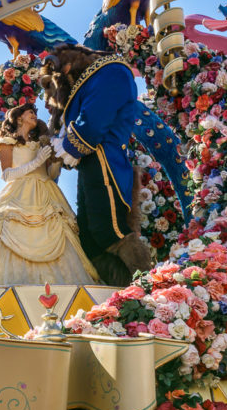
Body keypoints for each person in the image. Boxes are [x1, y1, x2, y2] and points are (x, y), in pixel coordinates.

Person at [39, 44, 154, 286]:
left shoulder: (111, 71)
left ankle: (147, 289)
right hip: (91, 165)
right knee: (90, 238)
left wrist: (69, 145)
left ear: (67, 66)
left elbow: (92, 121)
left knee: (109, 230)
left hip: (106, 160)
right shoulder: (94, 78)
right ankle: (117, 291)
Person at [0, 104, 99, 289]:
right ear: (19, 117)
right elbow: (7, 175)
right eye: (31, 112)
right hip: (18, 193)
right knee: (5, 226)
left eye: (36, 113)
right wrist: (36, 161)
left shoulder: (41, 144)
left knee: (59, 231)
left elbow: (50, 175)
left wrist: (56, 160)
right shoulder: (7, 142)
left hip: (46, 194)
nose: (35, 116)